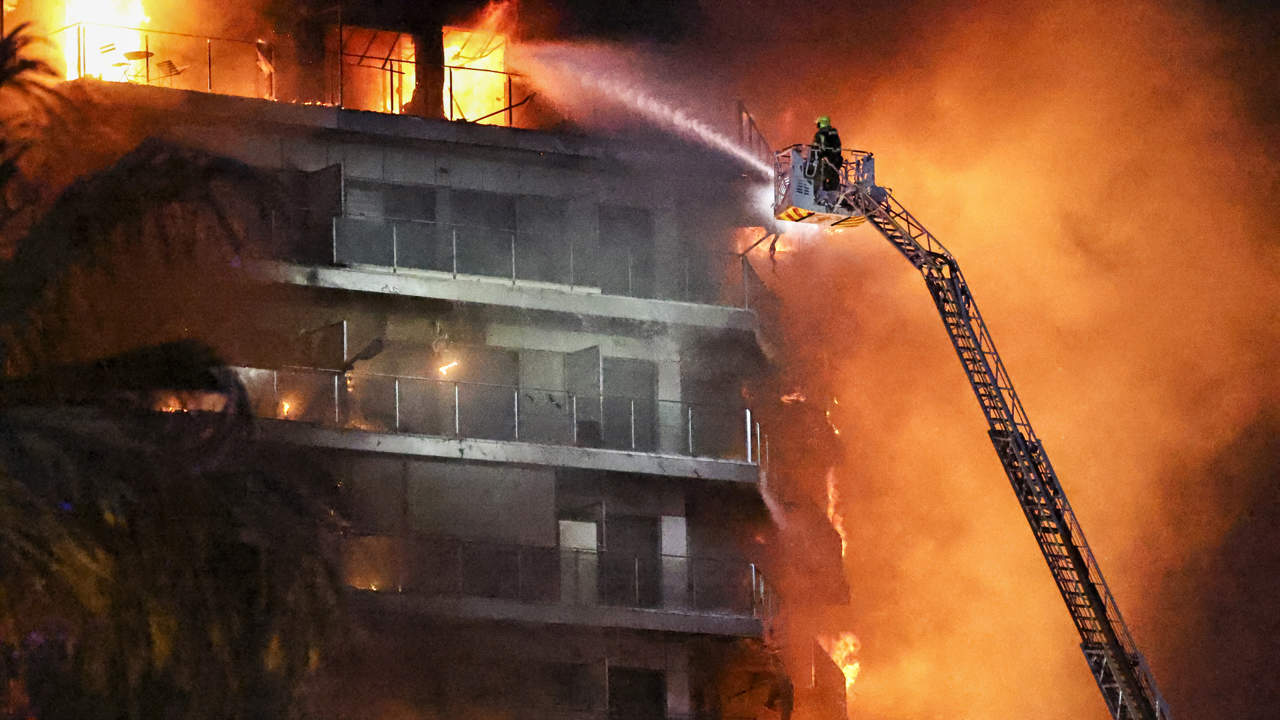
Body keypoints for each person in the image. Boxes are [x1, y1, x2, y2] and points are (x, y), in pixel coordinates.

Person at [812, 116, 843, 193]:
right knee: (834, 176)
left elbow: (815, 148)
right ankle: (834, 192)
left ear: (822, 123)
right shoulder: (834, 133)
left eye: (818, 123)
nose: (817, 125)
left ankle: (821, 192)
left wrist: (814, 157)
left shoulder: (820, 134)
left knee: (819, 176)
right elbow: (837, 147)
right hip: (836, 160)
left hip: (825, 160)